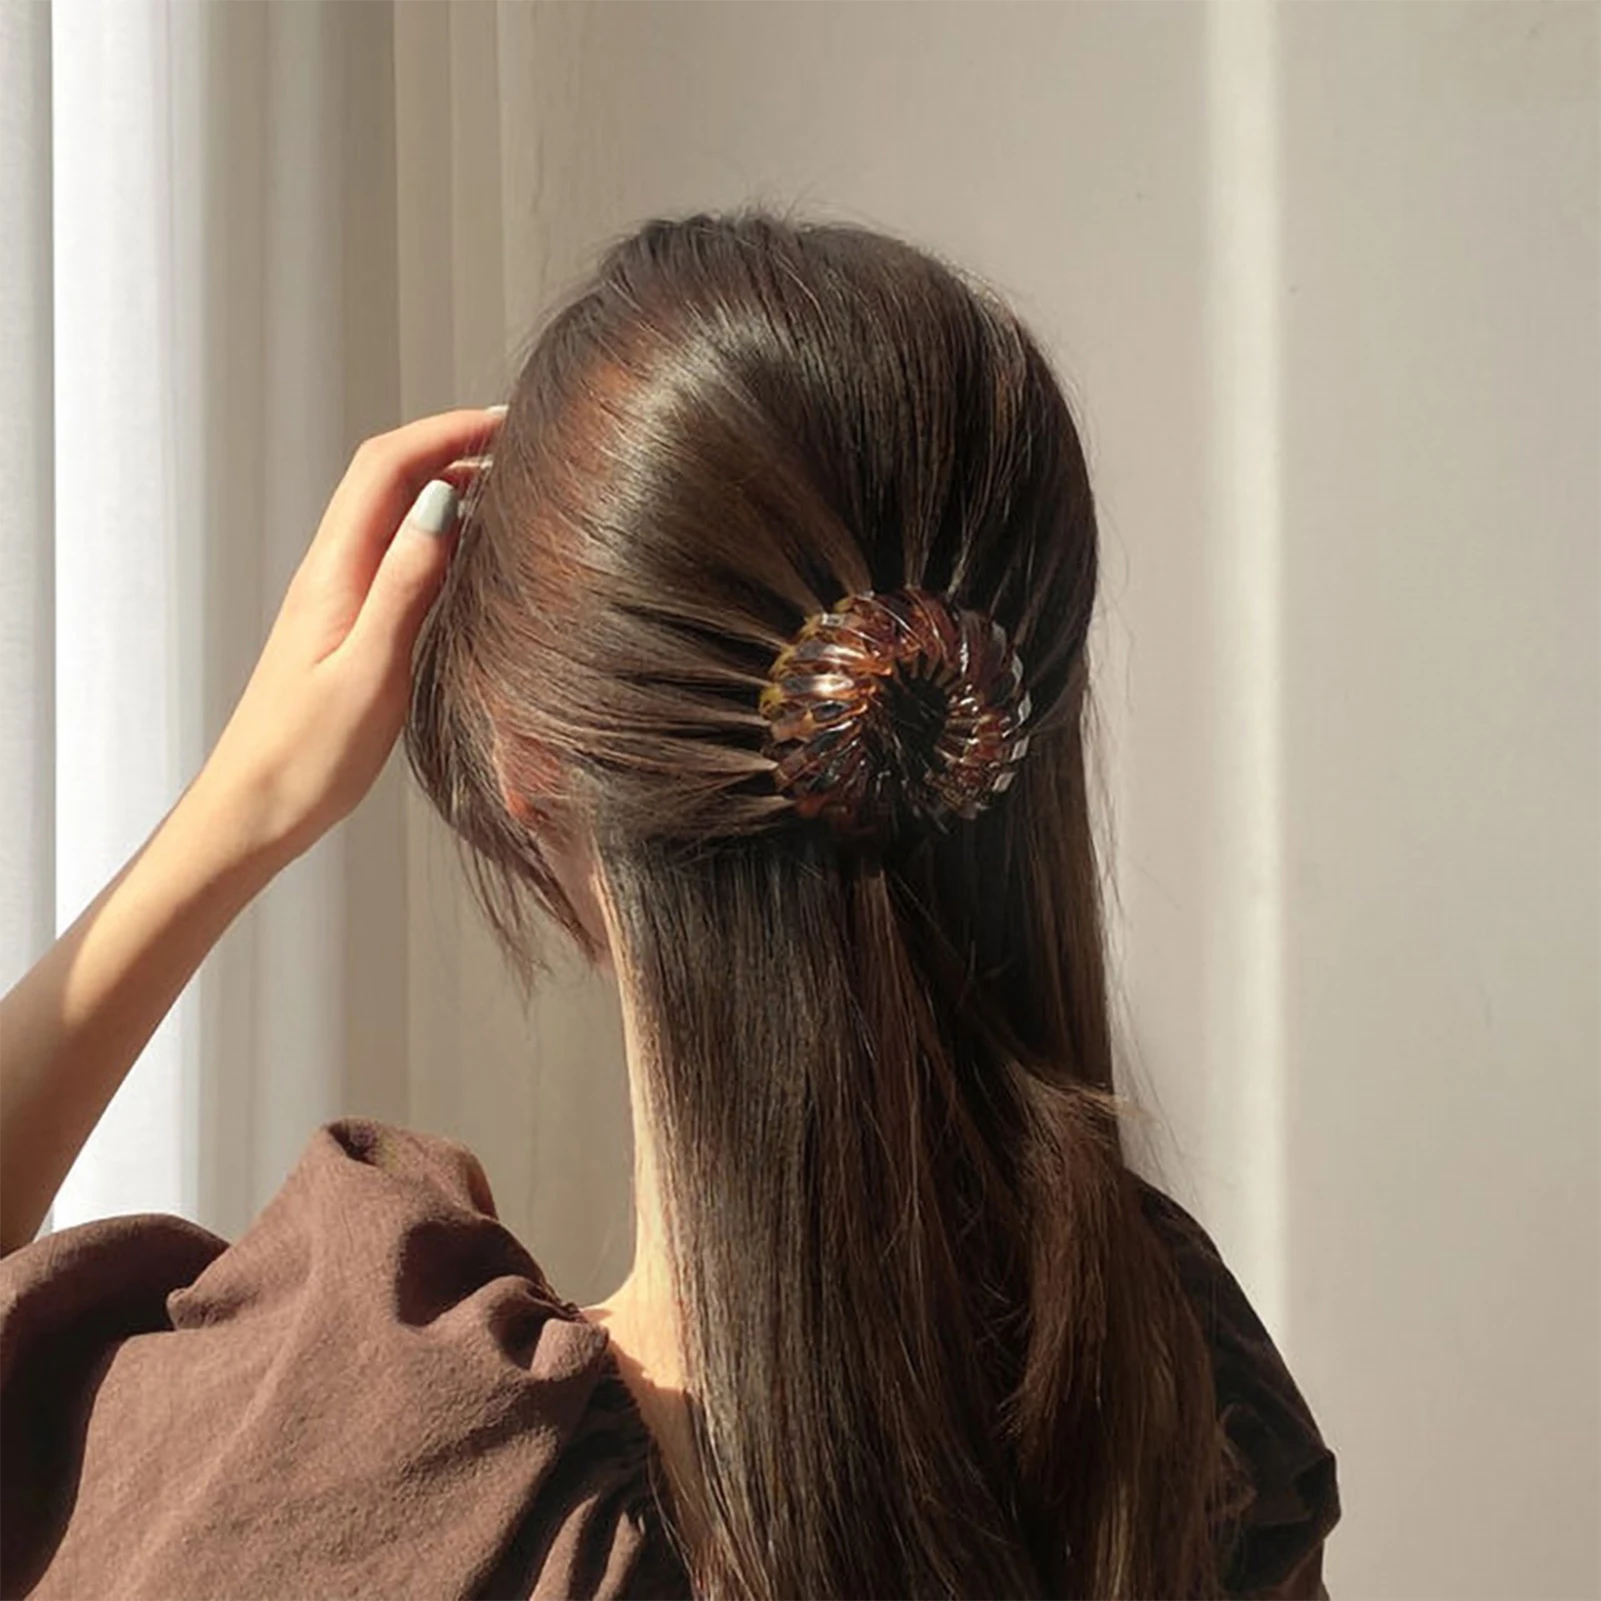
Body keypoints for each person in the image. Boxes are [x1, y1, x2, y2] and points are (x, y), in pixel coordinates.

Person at [0, 208, 1339, 1600]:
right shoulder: (1189, 1439)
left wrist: (234, 811)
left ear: (528, 766)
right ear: (1001, 732)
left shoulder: (354, 1480)